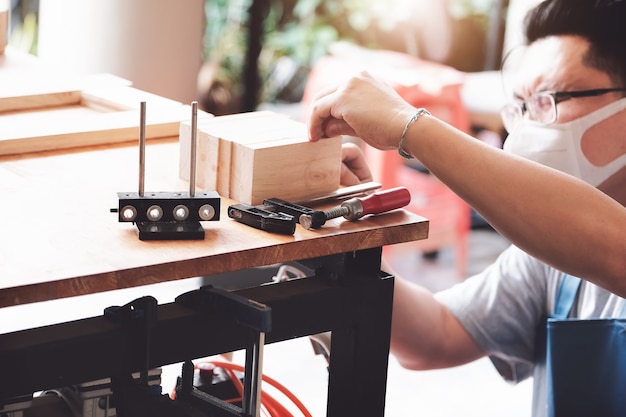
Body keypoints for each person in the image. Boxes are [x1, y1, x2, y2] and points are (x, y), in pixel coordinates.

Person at [306, 0, 626, 415]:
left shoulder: (593, 245)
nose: (530, 126)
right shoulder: (547, 257)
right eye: (523, 107)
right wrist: (348, 238)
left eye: (551, 100)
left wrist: (409, 126)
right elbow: (437, 334)